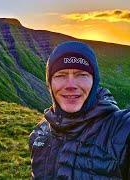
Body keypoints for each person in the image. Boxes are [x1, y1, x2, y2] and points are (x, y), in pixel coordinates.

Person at [29, 41, 130, 179]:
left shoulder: (121, 129)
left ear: (94, 82)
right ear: (49, 84)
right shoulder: (39, 136)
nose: (71, 85)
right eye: (60, 75)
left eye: (81, 74)